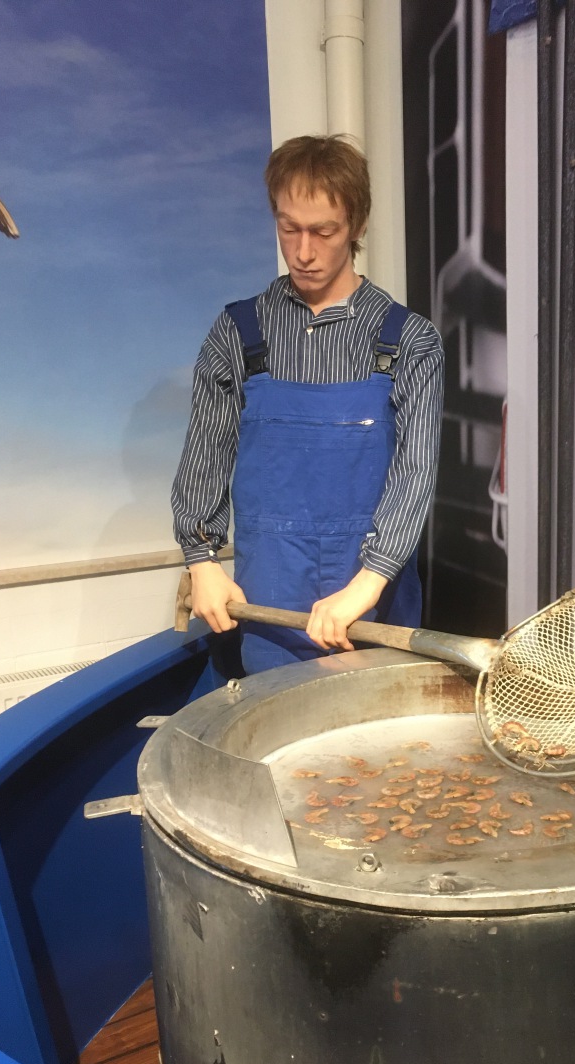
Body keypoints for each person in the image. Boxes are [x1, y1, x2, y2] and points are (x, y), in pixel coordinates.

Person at [172, 135, 444, 674]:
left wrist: (366, 585)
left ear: (357, 225)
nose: (303, 252)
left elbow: (416, 473)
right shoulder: (238, 334)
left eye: (324, 231)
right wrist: (202, 561)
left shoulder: (410, 342)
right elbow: (206, 455)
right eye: (289, 228)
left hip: (372, 604)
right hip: (267, 598)